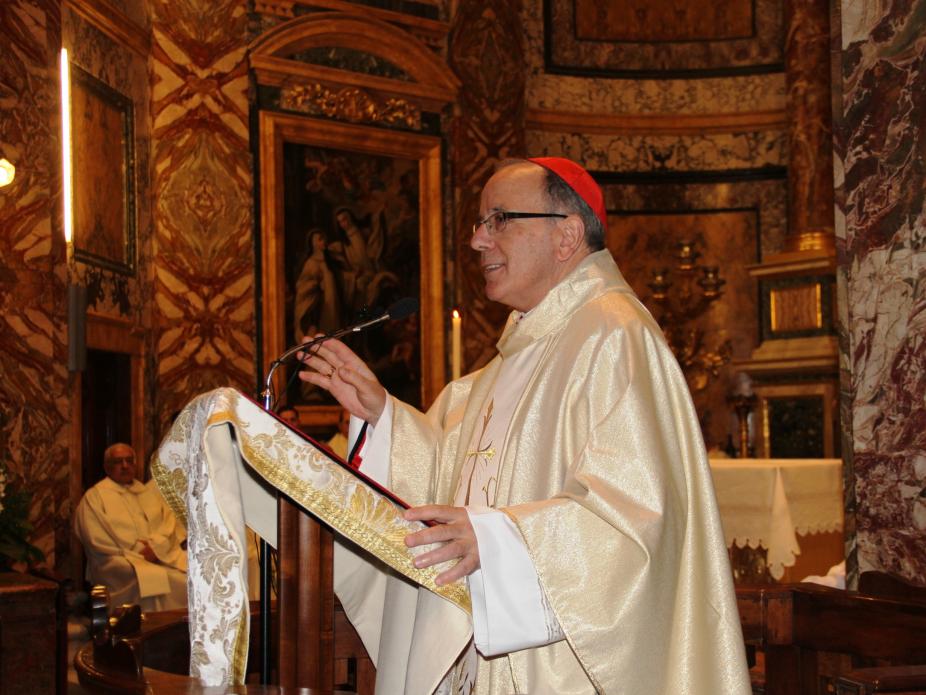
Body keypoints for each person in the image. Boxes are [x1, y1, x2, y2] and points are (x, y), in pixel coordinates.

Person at [299, 158, 751, 694]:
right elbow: (454, 476)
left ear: (567, 235)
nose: (478, 242)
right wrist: (384, 417)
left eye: (500, 220)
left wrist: (499, 543)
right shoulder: (504, 366)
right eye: (479, 223)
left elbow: (640, 523)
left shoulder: (616, 337)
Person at [74, 443, 188, 612]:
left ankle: (175, 629)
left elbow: (168, 525)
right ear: (107, 467)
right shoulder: (95, 497)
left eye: (129, 461)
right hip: (116, 560)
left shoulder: (148, 493)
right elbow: (94, 537)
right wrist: (138, 551)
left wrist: (156, 547)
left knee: (189, 577)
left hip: (159, 556)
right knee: (162, 579)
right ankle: (145, 626)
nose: (125, 466)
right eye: (118, 462)